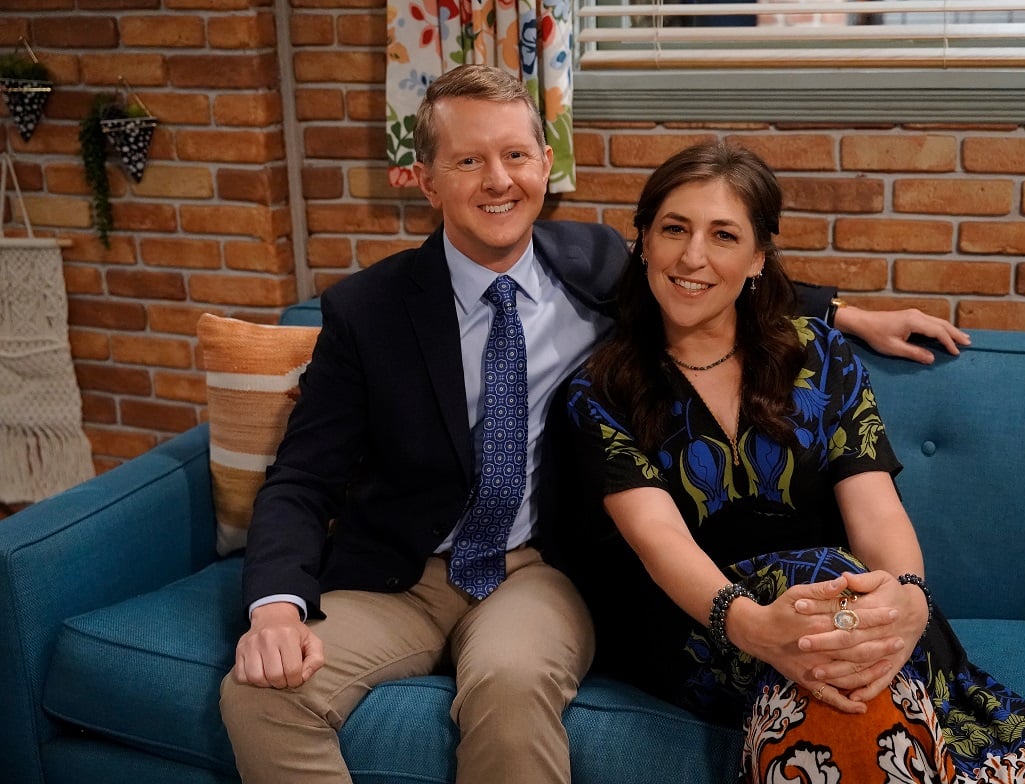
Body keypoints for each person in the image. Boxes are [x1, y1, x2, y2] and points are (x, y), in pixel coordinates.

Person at [218, 65, 966, 784]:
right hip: (396, 578)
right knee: (258, 695)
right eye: (469, 159)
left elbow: (710, 273)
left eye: (515, 154)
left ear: (547, 162)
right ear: (423, 178)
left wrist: (851, 313)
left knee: (511, 686)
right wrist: (276, 608)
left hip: (534, 570)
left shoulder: (597, 261)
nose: (498, 180)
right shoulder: (367, 312)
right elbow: (302, 476)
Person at [556, 142, 1025, 782]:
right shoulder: (601, 389)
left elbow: (874, 505)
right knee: (832, 596)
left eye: (723, 235)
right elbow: (657, 538)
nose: (693, 256)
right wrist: (754, 625)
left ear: (758, 258)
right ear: (644, 242)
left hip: (832, 608)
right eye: (673, 229)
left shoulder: (818, 355)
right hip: (699, 625)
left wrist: (907, 600)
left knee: (845, 627)